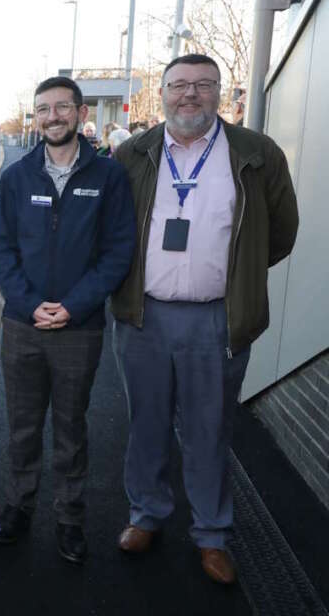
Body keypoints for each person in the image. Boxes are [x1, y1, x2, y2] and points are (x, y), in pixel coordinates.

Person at [111, 54, 299, 584]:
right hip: (142, 318)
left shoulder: (256, 154)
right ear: (162, 92)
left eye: (202, 85)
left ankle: (211, 535)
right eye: (178, 85)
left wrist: (232, 276)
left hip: (216, 320)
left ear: (220, 91)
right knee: (146, 424)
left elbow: (279, 230)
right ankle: (145, 515)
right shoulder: (134, 153)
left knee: (209, 429)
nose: (189, 95)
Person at [0, 76, 136, 564]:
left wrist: (73, 305)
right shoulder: (16, 177)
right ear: (35, 117)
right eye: (42, 109)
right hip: (23, 325)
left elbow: (117, 253)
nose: (51, 116)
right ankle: (17, 507)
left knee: (71, 429)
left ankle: (70, 519)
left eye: (61, 107)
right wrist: (30, 305)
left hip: (80, 326)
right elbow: (1, 249)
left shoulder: (109, 177)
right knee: (23, 427)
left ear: (80, 113)